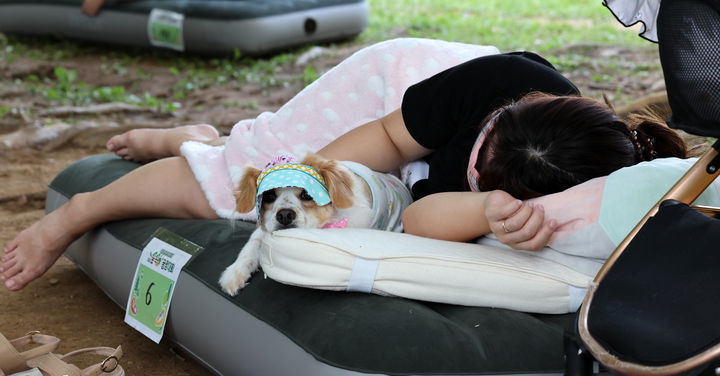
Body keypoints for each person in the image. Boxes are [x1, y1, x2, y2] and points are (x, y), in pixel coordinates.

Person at [1, 38, 686, 291]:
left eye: (481, 170)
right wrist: (292, 176)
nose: (475, 159)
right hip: (394, 97)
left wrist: (484, 212)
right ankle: (86, 210)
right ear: (521, 107)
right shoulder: (494, 83)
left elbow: (419, 218)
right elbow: (384, 145)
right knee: (254, 179)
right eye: (485, 139)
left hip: (433, 160)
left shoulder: (570, 183)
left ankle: (205, 134)